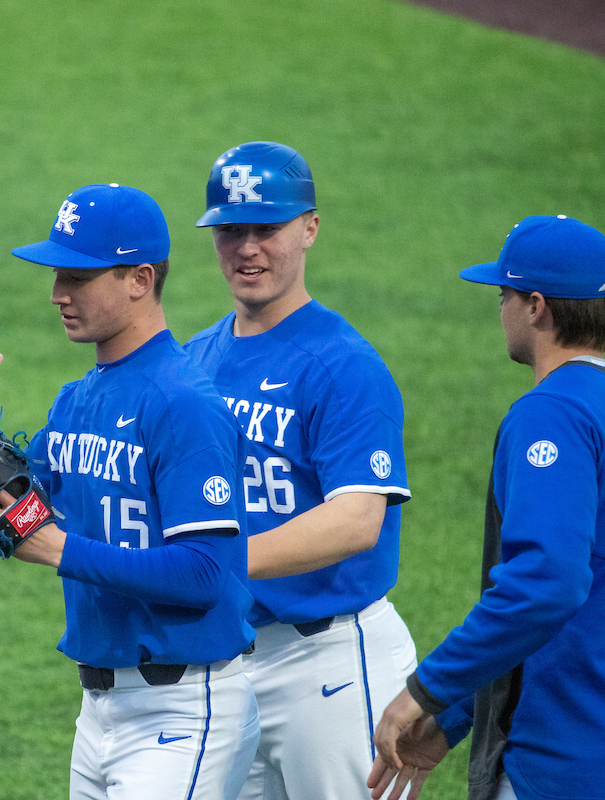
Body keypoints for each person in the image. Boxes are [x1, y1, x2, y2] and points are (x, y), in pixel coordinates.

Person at [368, 215, 605, 800]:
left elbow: (546, 584)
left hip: (583, 763)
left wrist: (424, 692)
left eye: (503, 294)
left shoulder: (553, 413)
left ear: (536, 306)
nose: (501, 310)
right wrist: (458, 715)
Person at [9, 183, 259, 799]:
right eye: (57, 274)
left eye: (78, 276)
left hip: (182, 710)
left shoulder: (182, 403)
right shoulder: (78, 397)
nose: (57, 294)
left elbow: (205, 574)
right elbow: (17, 516)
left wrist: (60, 551)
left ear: (140, 279)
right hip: (97, 710)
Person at [184, 141, 418, 800]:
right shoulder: (194, 360)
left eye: (268, 229)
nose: (248, 248)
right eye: (231, 230)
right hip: (230, 664)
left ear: (309, 227)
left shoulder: (345, 365)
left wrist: (218, 563)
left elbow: (355, 521)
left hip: (335, 665)